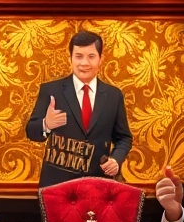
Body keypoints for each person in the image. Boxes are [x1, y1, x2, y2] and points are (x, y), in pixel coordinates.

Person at [24, 30, 133, 187]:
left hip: (99, 182)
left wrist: (116, 159)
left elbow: (124, 137)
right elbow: (31, 131)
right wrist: (45, 124)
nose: (84, 63)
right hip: (57, 185)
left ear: (101, 59)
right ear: (70, 59)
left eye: (91, 56)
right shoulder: (51, 90)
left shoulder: (114, 95)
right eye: (79, 56)